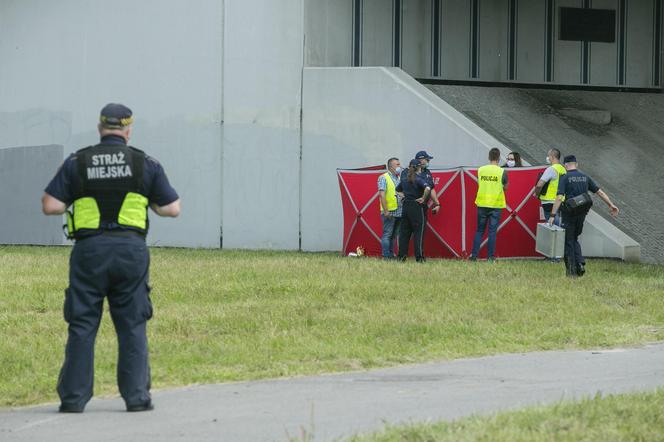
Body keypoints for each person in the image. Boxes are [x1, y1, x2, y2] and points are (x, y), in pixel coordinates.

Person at [41, 103, 181, 413]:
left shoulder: (78, 161)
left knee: (82, 324)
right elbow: (172, 208)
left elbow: (50, 205)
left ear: (100, 128)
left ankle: (74, 400)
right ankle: (137, 398)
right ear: (128, 131)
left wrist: (71, 198)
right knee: (132, 324)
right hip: (130, 252)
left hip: (89, 252)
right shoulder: (145, 163)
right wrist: (151, 205)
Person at [549, 155, 619, 277]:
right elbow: (599, 192)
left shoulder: (565, 178)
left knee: (568, 241)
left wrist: (552, 214)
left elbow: (559, 197)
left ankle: (571, 272)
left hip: (569, 214)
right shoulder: (585, 177)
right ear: (577, 164)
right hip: (582, 213)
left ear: (565, 165)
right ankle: (580, 263)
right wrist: (611, 205)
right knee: (575, 238)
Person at [470, 148, 508, 261]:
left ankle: (474, 256)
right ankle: (490, 257)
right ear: (499, 158)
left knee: (479, 230)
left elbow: (479, 183)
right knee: (492, 232)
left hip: (482, 203)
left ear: (489, 157)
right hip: (496, 205)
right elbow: (505, 187)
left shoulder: (481, 170)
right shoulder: (502, 172)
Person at [396, 159, 431, 262]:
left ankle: (401, 257)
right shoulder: (418, 178)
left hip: (406, 206)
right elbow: (428, 188)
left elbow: (397, 190)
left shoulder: (405, 179)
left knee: (404, 233)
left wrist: (405, 196)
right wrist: (423, 199)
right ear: (419, 168)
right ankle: (419, 258)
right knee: (418, 232)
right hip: (416, 206)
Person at [378, 157, 403, 259]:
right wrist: (386, 210)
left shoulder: (398, 178)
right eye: (397, 165)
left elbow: (399, 192)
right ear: (391, 166)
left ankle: (391, 254)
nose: (399, 166)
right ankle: (386, 255)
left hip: (399, 211)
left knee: (394, 235)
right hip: (389, 211)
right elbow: (382, 195)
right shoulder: (383, 177)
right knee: (387, 234)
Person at [534, 148, 566, 226]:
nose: (547, 158)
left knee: (552, 226)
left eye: (548, 156)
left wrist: (536, 194)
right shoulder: (563, 169)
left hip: (549, 202)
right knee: (558, 224)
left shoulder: (551, 169)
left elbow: (539, 185)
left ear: (552, 157)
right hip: (560, 201)